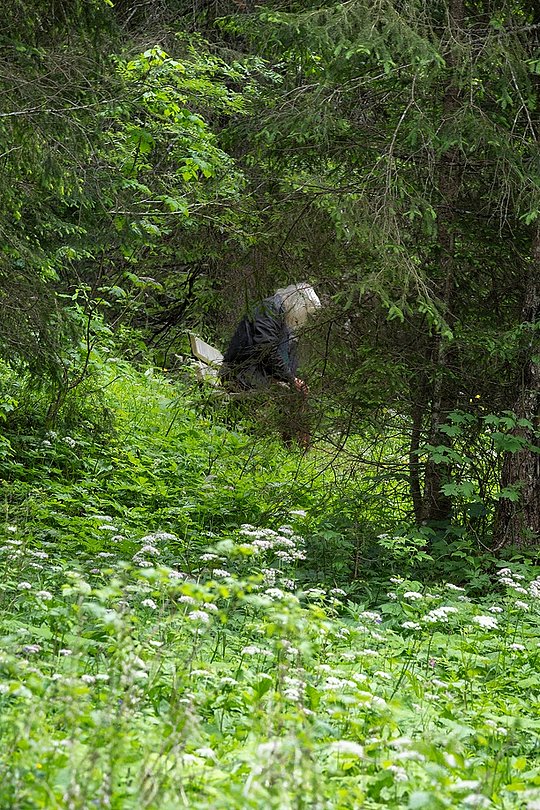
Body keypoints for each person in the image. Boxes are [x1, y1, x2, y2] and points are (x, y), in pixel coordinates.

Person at [220, 282, 321, 445]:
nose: (304, 318)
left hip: (253, 372)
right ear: (298, 304)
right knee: (291, 393)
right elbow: (266, 348)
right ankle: (291, 446)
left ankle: (295, 445)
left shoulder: (279, 314)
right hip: (241, 373)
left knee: (297, 392)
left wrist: (291, 378)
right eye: (305, 312)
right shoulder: (269, 310)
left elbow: (278, 354)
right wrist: (290, 379)